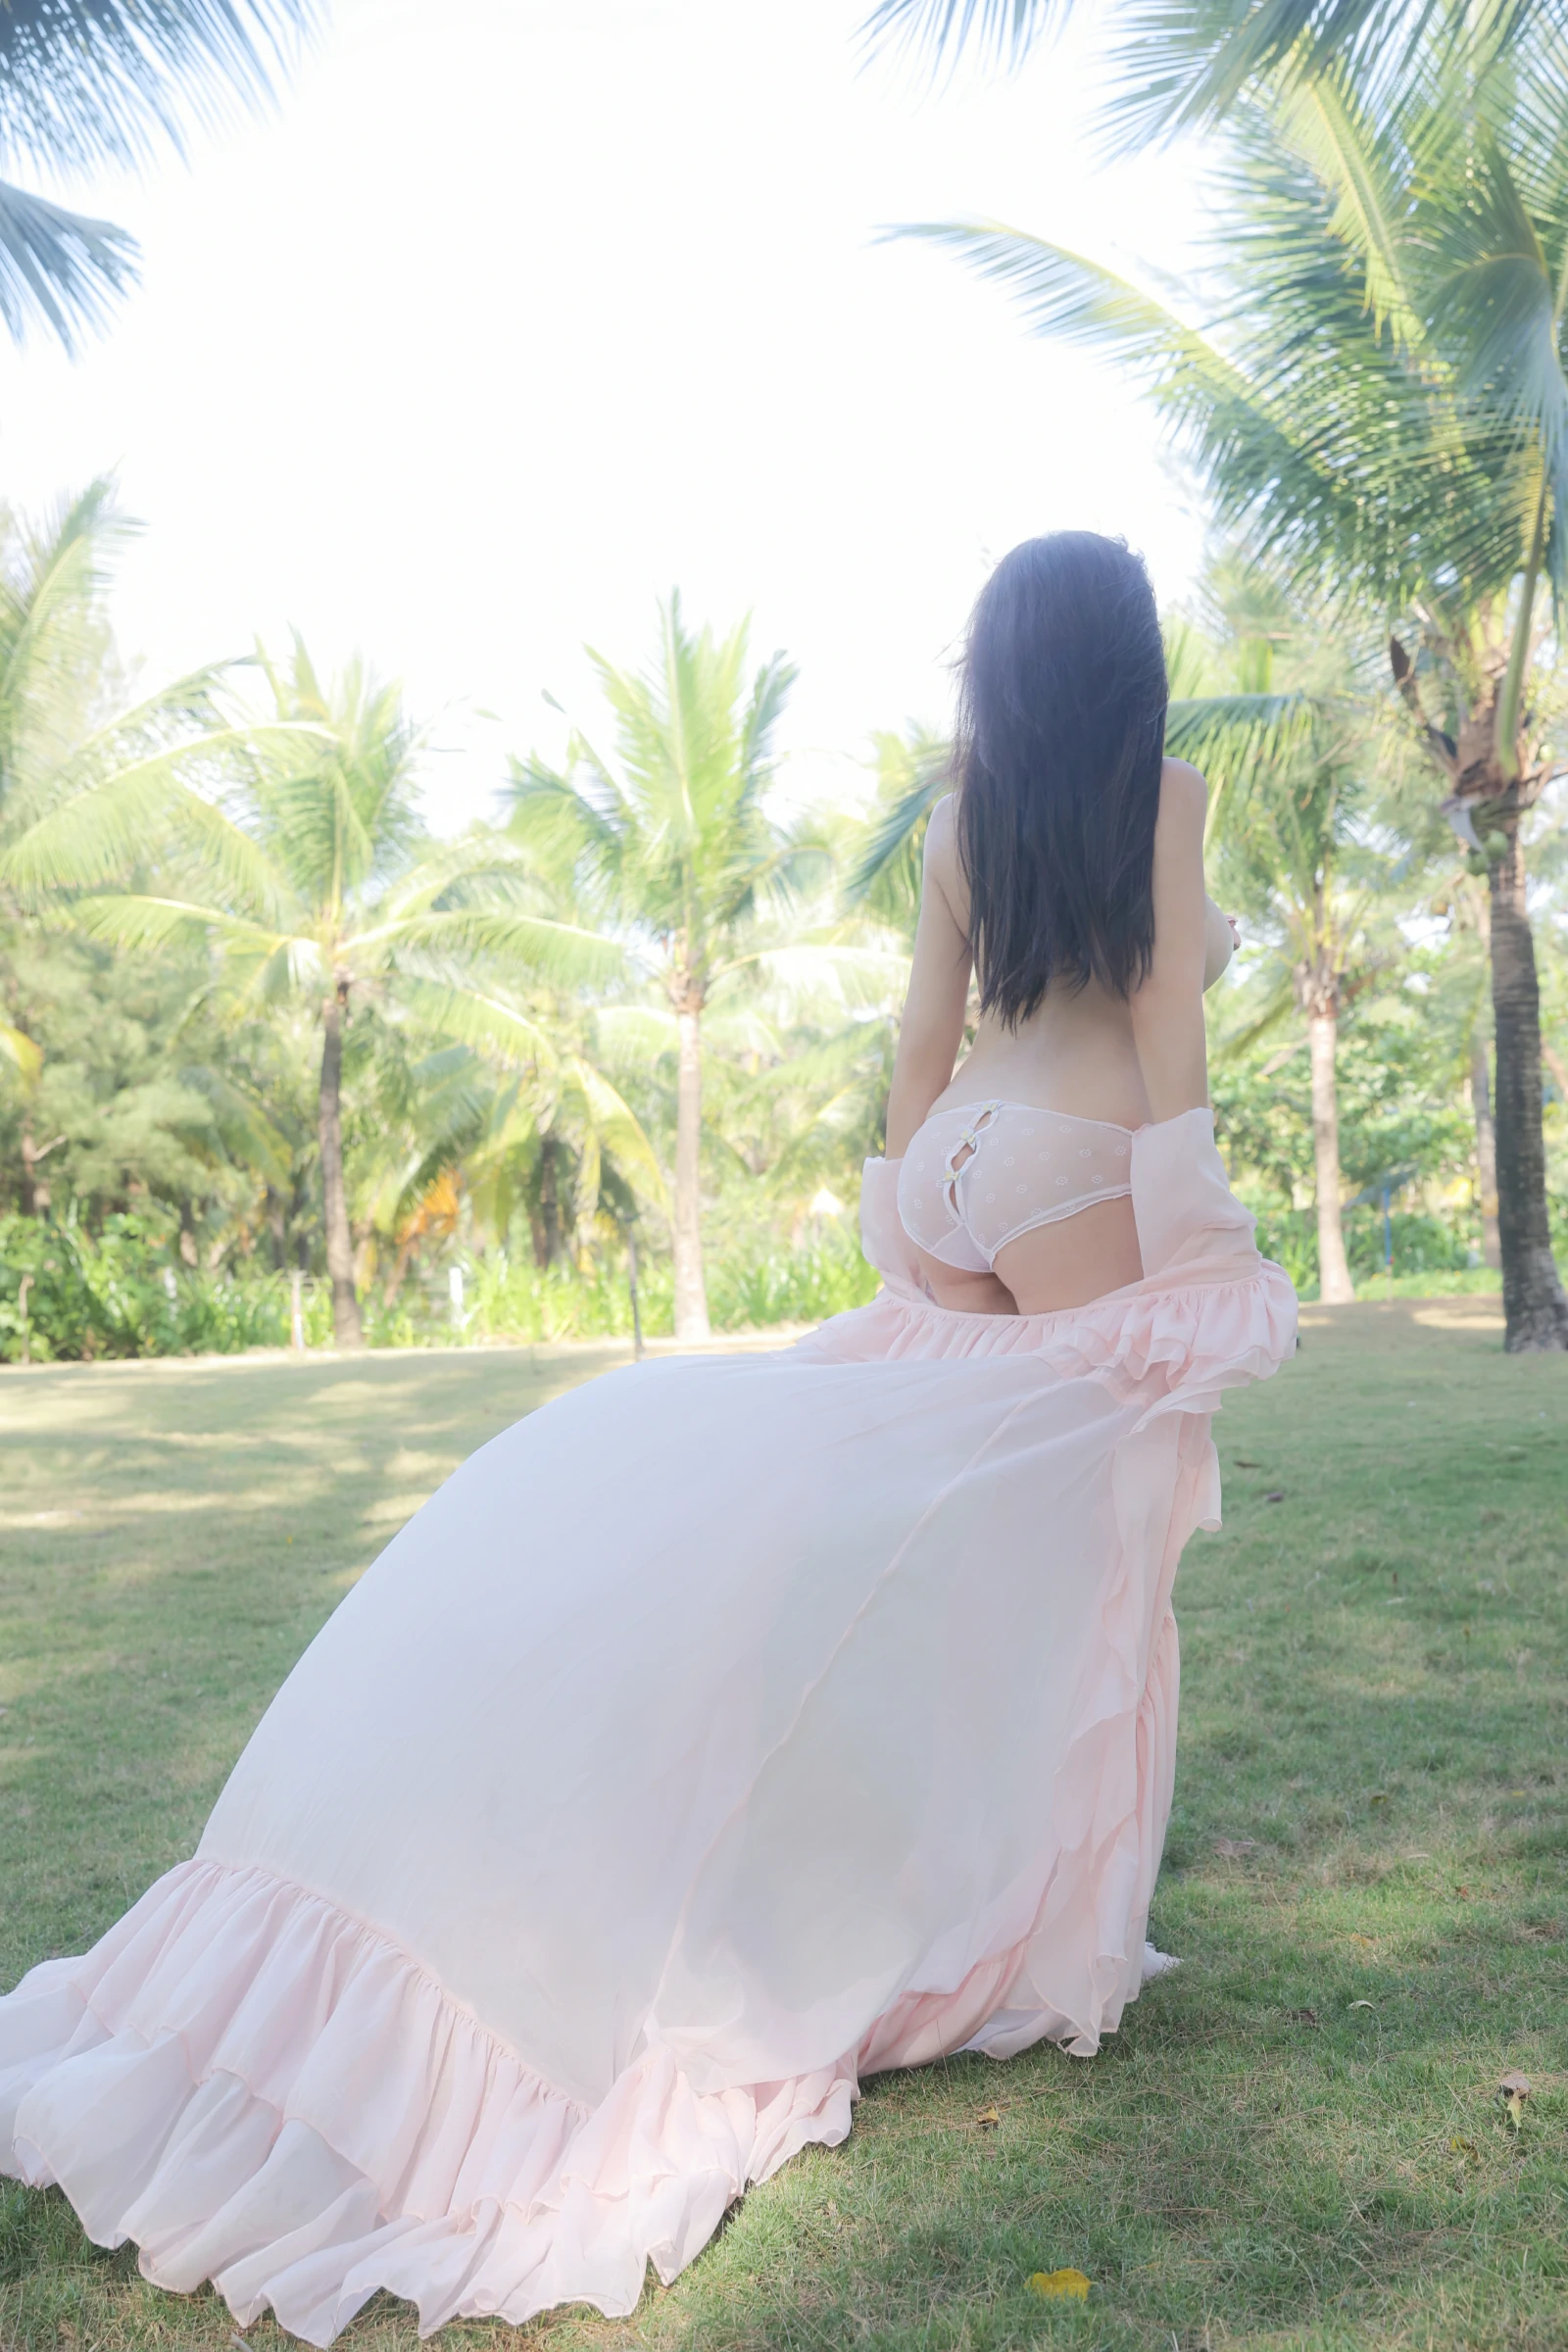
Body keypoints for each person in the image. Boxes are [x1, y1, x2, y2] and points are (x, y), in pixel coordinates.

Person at [0, 532, 1296, 2346]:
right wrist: (1206, 1253)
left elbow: (919, 1048)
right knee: (1087, 1533)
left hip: (963, 1159)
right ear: (1129, 663)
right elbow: (1166, 1032)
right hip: (1084, 1158)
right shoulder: (1165, 794)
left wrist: (922, 1241)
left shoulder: (963, 813)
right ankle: (988, 1913)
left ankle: (912, 1877)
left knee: (949, 1536)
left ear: (1001, 671)